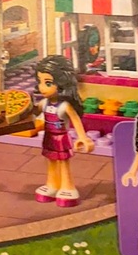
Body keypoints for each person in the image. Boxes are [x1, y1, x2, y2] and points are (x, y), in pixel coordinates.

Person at [33, 55, 94, 207]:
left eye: (48, 83)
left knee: (63, 162)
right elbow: (32, 112)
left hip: (61, 137)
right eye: (40, 82)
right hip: (49, 136)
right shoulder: (44, 103)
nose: (42, 87)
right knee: (50, 161)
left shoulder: (65, 106)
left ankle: (68, 187)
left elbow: (76, 121)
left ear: (62, 83)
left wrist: (83, 137)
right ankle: (52, 185)